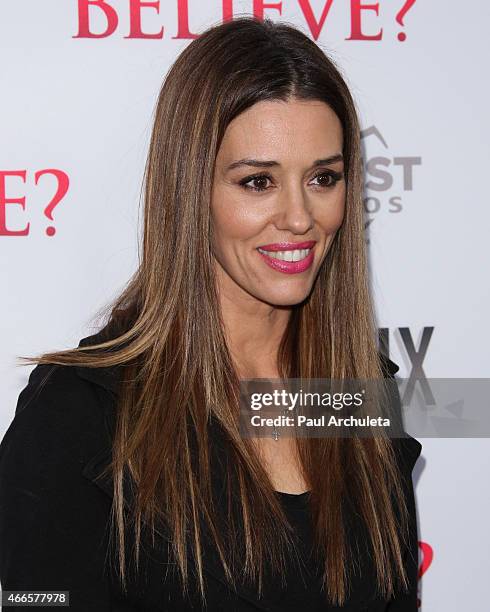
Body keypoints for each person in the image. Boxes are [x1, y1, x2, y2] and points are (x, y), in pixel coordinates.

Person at [0, 16, 422, 612]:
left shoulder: (358, 393)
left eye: (323, 177)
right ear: (190, 189)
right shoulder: (82, 411)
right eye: (258, 182)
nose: (299, 217)